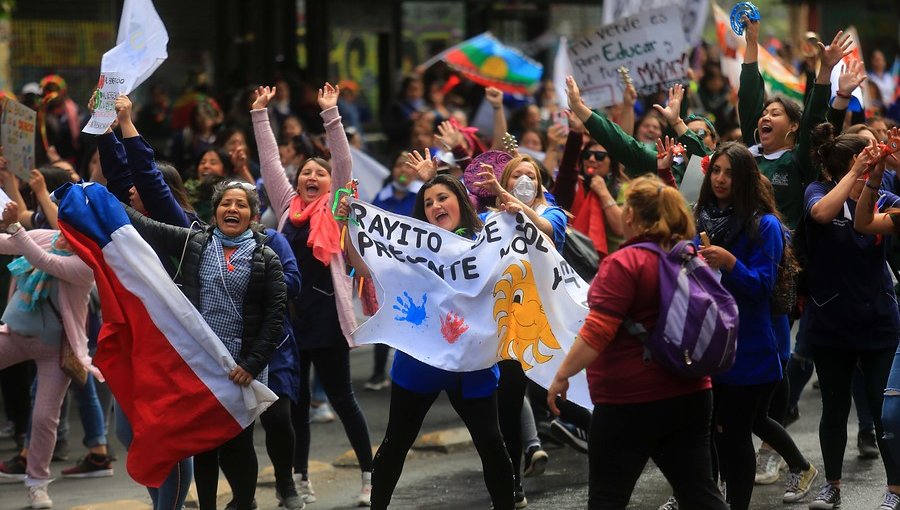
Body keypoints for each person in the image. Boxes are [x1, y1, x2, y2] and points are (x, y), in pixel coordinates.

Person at [546, 175, 727, 510]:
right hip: (692, 393)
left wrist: (562, 375)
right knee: (700, 494)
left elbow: (597, 330)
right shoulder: (687, 256)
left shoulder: (624, 262)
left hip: (628, 402)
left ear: (630, 215)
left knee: (607, 498)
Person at [338, 174, 516, 510]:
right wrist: (351, 223)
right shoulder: (411, 247)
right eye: (428, 202)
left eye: (442, 198)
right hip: (420, 360)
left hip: (472, 361)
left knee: (491, 442)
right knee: (396, 442)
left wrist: (512, 208)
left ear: (461, 201)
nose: (435, 206)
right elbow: (361, 265)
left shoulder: (489, 239)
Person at [124, 180, 286, 510]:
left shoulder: (266, 257)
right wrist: (102, 199)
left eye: (241, 205)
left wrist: (252, 364)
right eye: (226, 203)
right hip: (203, 365)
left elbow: (275, 317)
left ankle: (244, 503)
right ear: (214, 213)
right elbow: (146, 226)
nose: (233, 209)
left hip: (241, 367)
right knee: (205, 446)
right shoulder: (195, 242)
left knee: (239, 446)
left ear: (253, 216)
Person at [250, 83, 374, 506]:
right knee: (296, 406)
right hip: (292, 323)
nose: (312, 177)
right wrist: (259, 115)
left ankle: (368, 475)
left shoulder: (338, 205)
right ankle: (299, 479)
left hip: (329, 320)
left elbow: (342, 159)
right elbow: (269, 163)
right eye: (306, 172)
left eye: (319, 173)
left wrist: (331, 114)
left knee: (343, 400)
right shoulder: (286, 208)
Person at [693, 142, 818, 509]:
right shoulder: (700, 218)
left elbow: (762, 286)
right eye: (716, 170)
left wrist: (729, 262)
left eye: (730, 173)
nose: (720, 179)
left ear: (745, 178)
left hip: (750, 349)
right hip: (709, 345)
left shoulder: (765, 225)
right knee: (714, 433)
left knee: (734, 435)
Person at [801, 127, 900, 510]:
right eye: (864, 161)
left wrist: (871, 178)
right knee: (835, 408)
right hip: (831, 320)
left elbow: (868, 223)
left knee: (883, 410)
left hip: (877, 319)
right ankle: (832, 485)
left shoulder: (884, 198)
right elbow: (821, 214)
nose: (871, 165)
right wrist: (853, 173)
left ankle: (894, 489)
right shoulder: (819, 191)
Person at [0, 201, 97, 510]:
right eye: (68, 221)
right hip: (13, 336)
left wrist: (16, 228)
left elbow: (41, 260)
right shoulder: (46, 236)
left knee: (44, 418)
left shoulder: (87, 264)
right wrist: (13, 232)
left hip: (55, 352)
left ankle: (37, 486)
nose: (69, 228)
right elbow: (7, 244)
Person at [738, 15, 850, 229]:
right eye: (765, 113)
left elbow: (814, 117)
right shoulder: (747, 154)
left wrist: (825, 69)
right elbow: (749, 95)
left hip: (787, 254)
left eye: (776, 113)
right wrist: (752, 42)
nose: (766, 117)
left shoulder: (799, 159)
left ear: (793, 126)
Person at [365, 151, 423, 391]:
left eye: (409, 166)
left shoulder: (422, 195)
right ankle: (379, 373)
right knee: (386, 317)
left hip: (417, 270)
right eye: (399, 165)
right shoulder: (382, 197)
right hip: (388, 270)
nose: (403, 170)